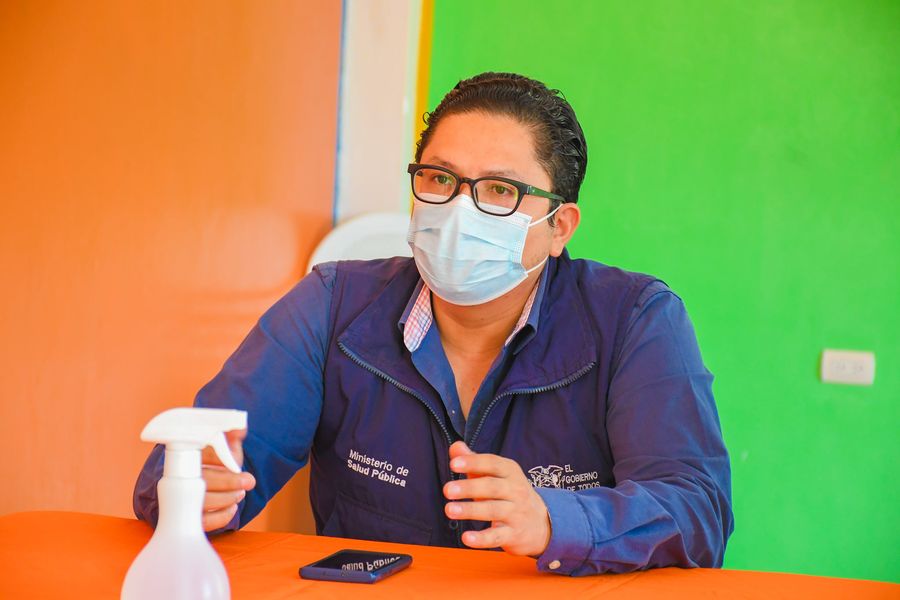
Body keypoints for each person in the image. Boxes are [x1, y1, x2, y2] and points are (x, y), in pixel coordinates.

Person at [134, 72, 734, 575]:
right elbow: (190, 463)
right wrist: (191, 490)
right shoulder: (332, 303)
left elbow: (697, 511)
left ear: (559, 227)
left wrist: (557, 520)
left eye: (500, 190)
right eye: (440, 178)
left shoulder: (634, 320)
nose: (459, 208)